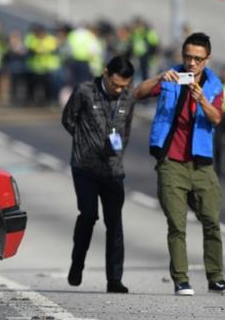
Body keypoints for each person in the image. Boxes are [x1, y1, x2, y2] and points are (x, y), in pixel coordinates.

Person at [133, 32, 225, 296]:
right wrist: (159, 77)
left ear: (207, 59)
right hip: (171, 162)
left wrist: (201, 99)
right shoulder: (170, 78)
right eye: (188, 57)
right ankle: (181, 279)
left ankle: (216, 278)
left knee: (212, 221)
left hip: (201, 164)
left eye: (198, 59)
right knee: (176, 224)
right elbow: (138, 92)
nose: (192, 63)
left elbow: (216, 119)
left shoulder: (214, 86)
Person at [62, 56, 135, 294]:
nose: (118, 89)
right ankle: (77, 262)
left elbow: (125, 131)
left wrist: (116, 149)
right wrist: (85, 142)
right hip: (85, 167)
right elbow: (68, 120)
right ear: (105, 73)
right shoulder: (85, 91)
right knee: (89, 214)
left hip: (113, 170)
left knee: (115, 223)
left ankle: (114, 279)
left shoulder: (127, 98)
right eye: (115, 84)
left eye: (123, 85)